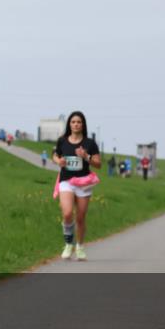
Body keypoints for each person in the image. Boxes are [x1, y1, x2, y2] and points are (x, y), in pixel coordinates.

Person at [51, 111, 101, 261]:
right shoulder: (62, 141)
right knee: (67, 213)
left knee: (80, 217)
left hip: (83, 183)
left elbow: (98, 164)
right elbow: (55, 155)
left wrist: (86, 157)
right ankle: (68, 244)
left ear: (83, 124)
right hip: (66, 180)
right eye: (73, 122)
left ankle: (79, 246)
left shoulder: (89, 143)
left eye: (79, 122)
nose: (76, 124)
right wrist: (57, 161)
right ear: (69, 124)